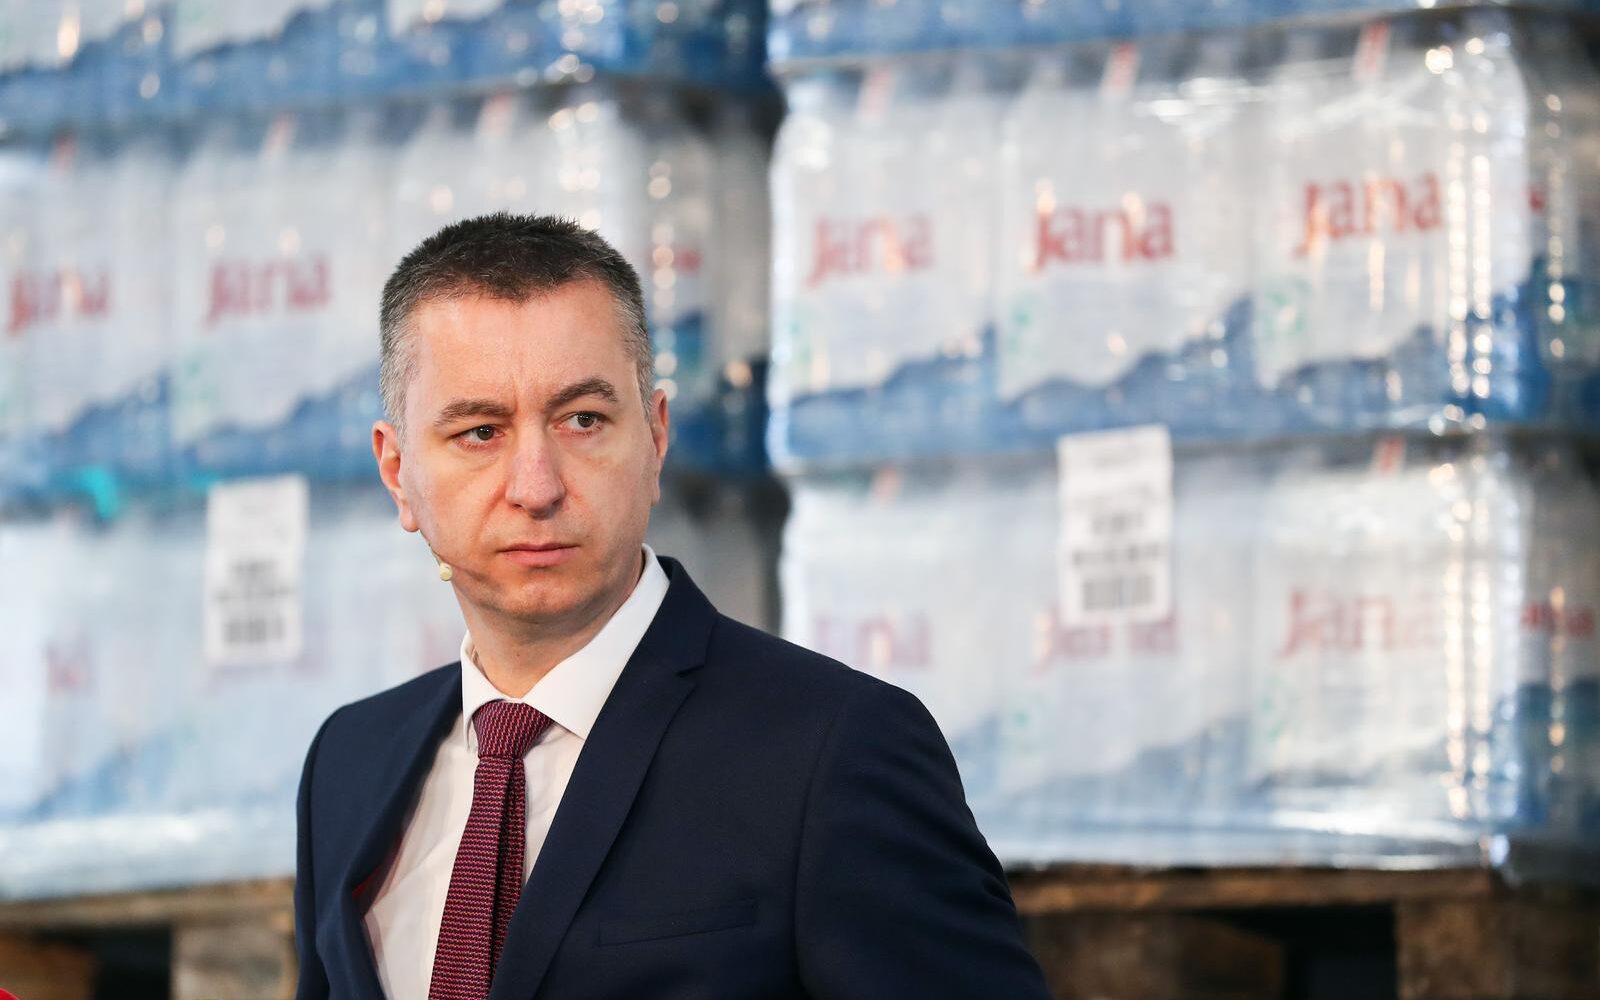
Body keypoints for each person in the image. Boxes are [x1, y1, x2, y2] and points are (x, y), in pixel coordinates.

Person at [292, 213, 1053, 1000]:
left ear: (655, 439)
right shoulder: (348, 765)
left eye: (583, 420)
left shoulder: (835, 750)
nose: (536, 486)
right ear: (397, 472)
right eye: (480, 432)